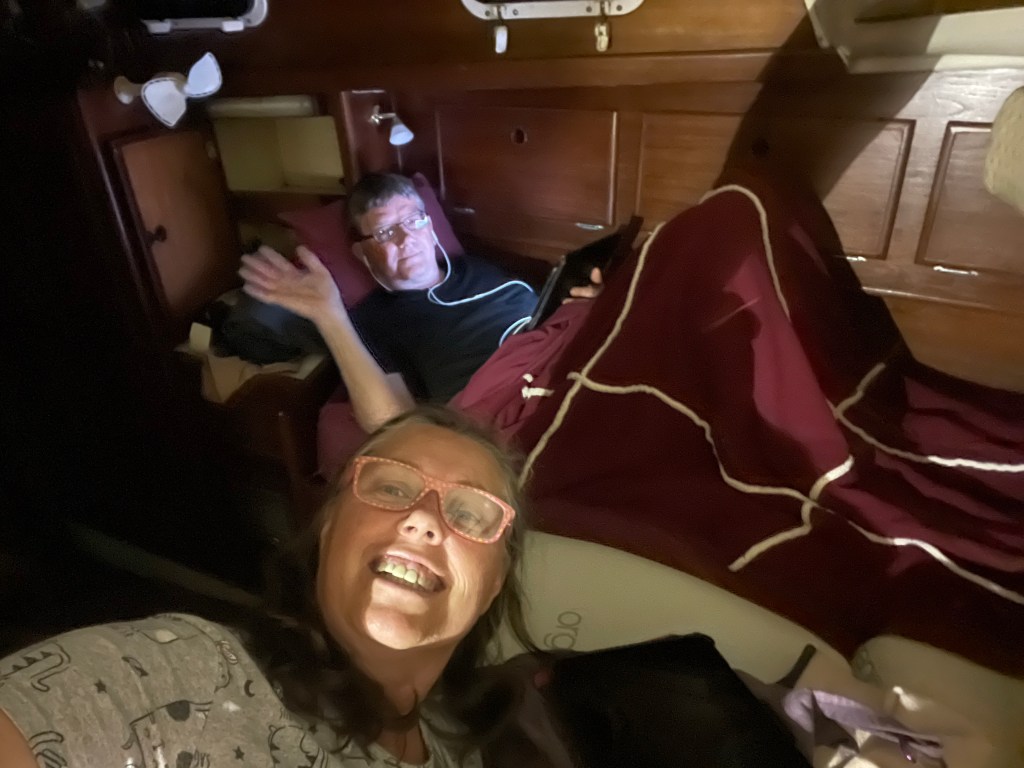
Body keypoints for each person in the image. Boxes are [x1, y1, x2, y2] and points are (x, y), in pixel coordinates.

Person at [0, 405, 547, 768]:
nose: (423, 519)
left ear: (493, 584)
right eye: (392, 488)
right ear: (328, 529)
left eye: (469, 515)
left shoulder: (459, 744)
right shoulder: (189, 674)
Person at [239, 173, 602, 436]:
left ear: (429, 227)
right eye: (385, 232)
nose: (406, 238)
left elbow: (551, 320)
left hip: (568, 371)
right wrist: (329, 314)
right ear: (362, 253)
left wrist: (590, 307)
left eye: (413, 220)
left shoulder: (480, 268)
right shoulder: (375, 319)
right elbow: (387, 420)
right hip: (507, 410)